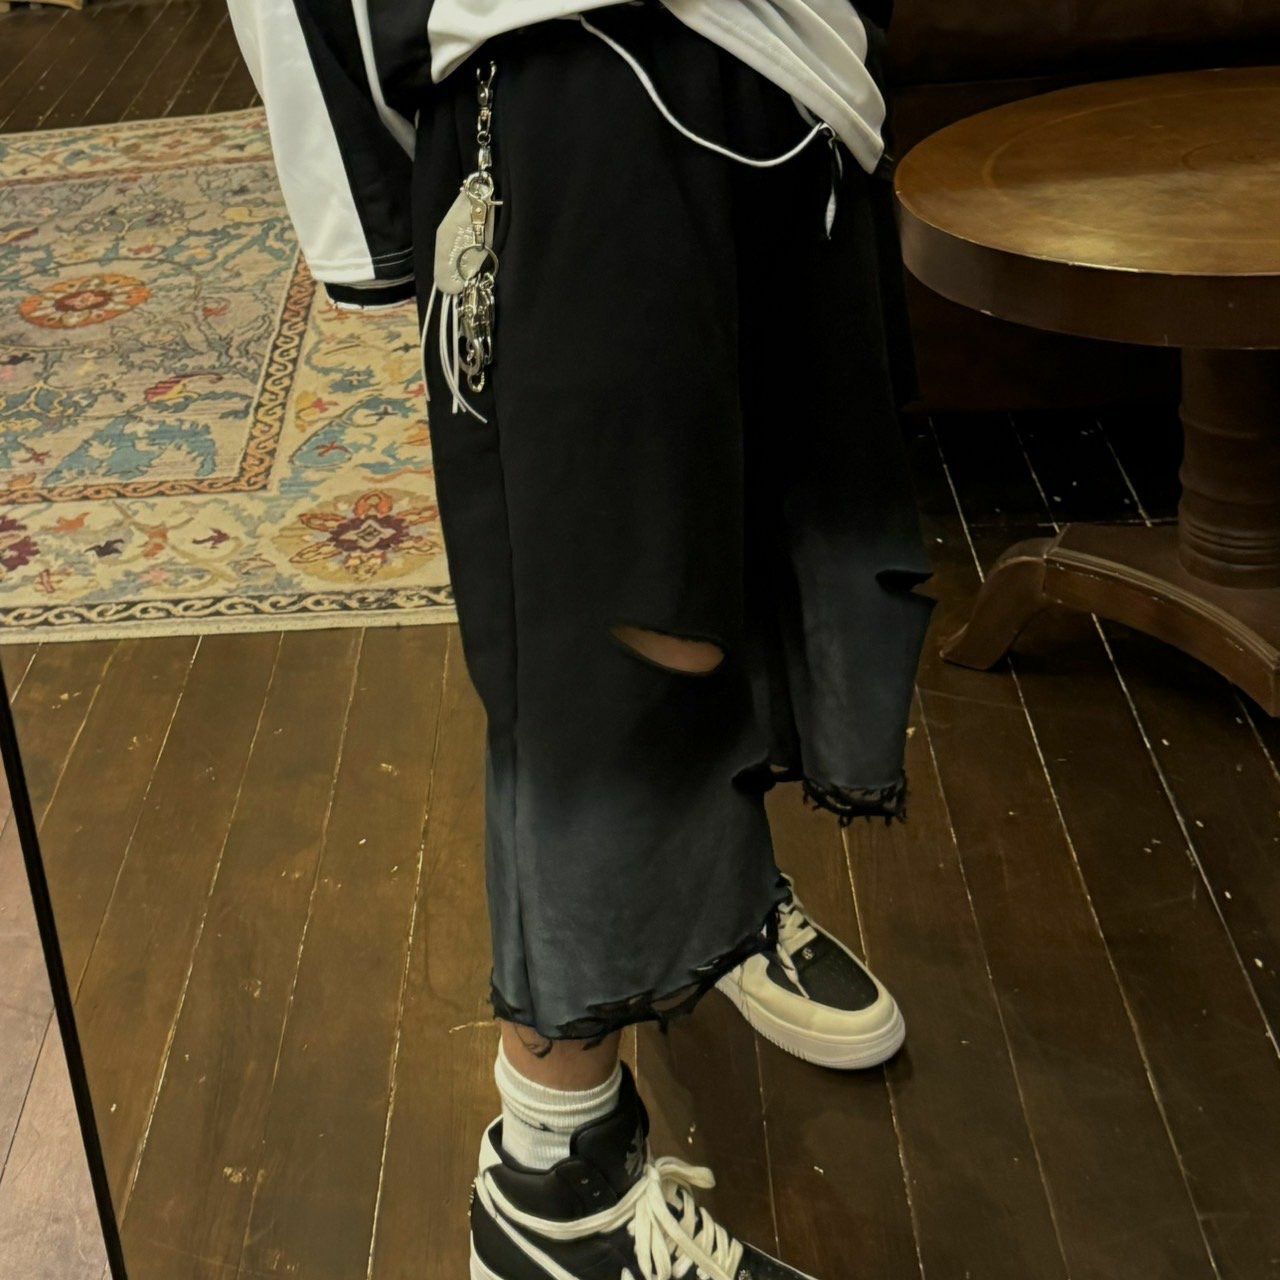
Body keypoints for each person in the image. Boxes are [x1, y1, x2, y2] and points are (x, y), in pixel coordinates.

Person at [227, 2, 933, 1276]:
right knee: (617, 645)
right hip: (558, 69)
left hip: (796, 61)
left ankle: (719, 901)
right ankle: (552, 1177)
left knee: (766, 535)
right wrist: (367, 207)